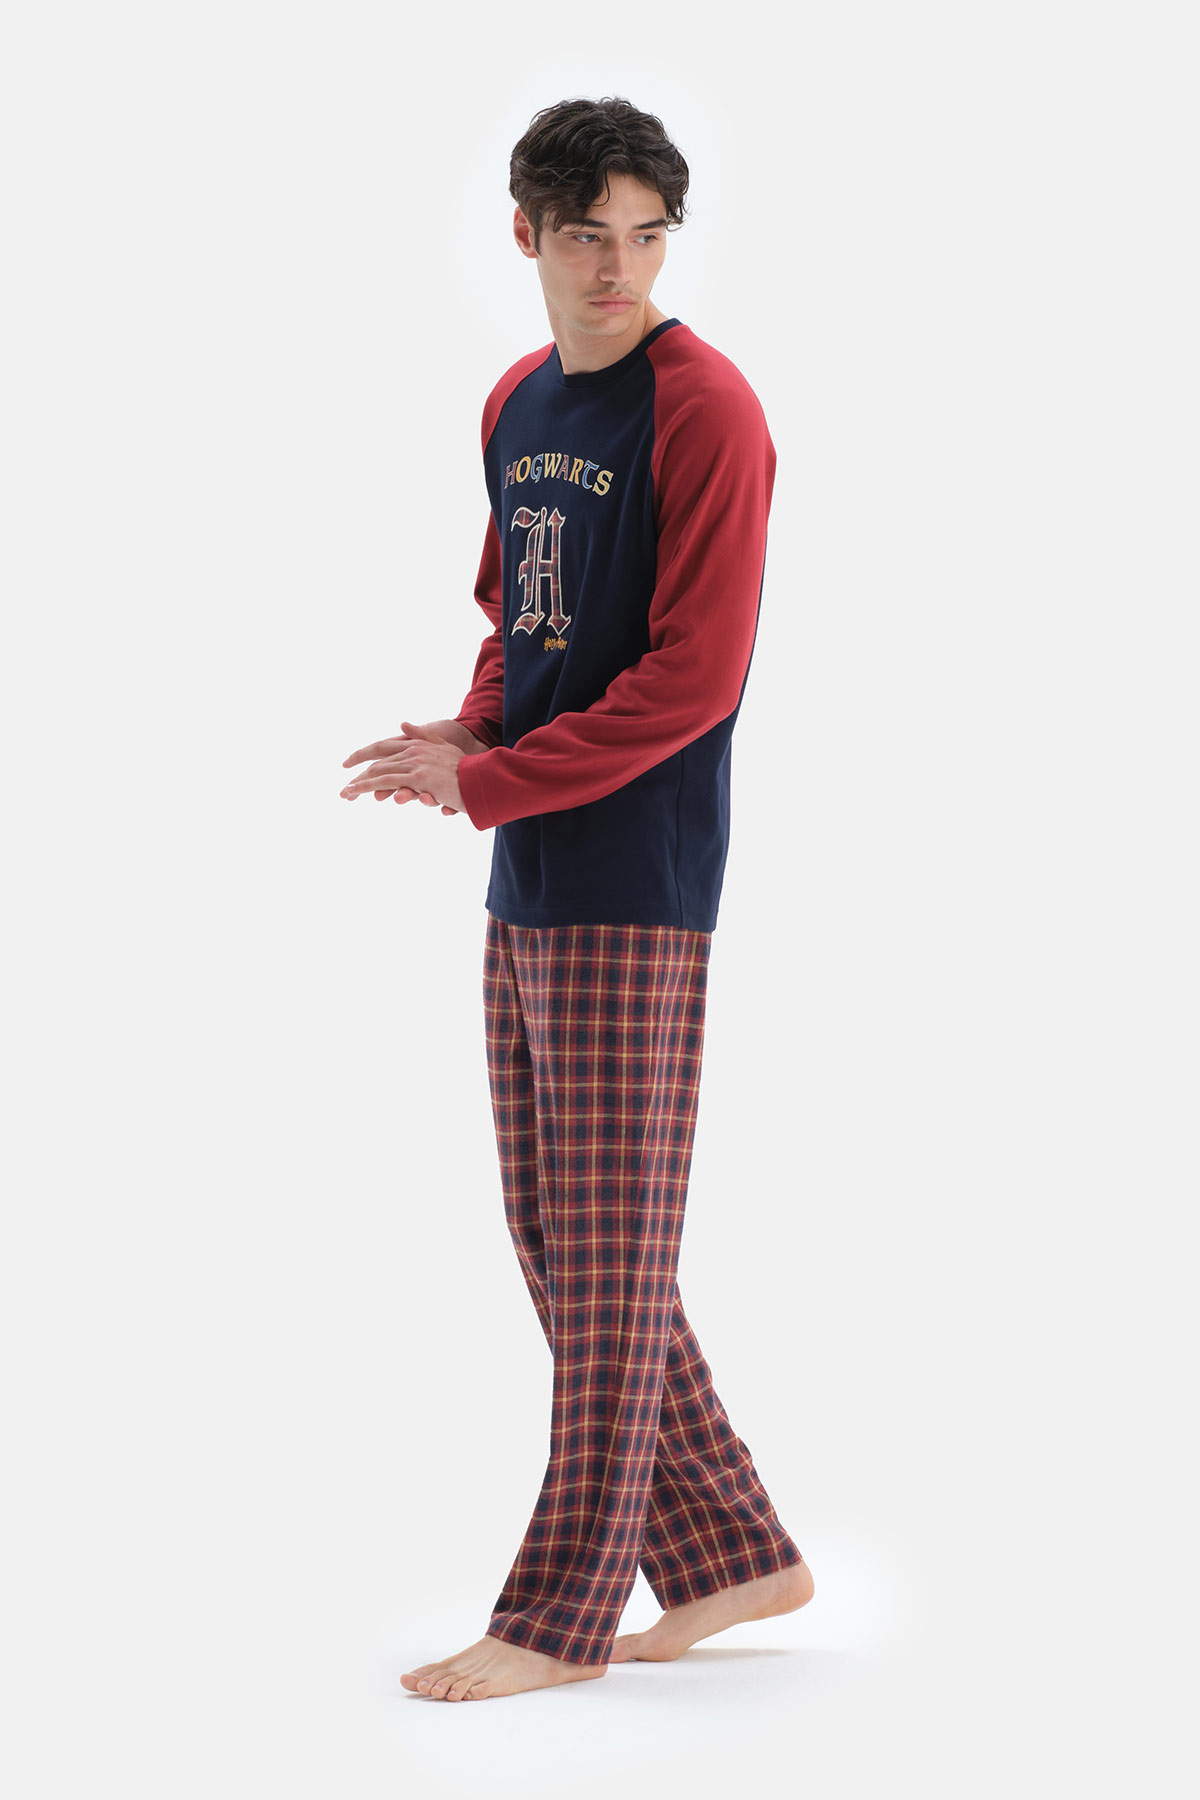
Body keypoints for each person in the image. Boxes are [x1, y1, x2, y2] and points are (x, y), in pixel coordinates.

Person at [339, 95, 814, 1702]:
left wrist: (490, 781)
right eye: (589, 237)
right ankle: (737, 1553)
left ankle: (556, 1616)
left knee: (608, 1259)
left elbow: (695, 679)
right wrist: (473, 734)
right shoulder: (517, 397)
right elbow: (519, 622)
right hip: (532, 860)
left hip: (637, 871)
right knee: (562, 1234)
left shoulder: (708, 408)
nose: (620, 268)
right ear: (528, 236)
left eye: (648, 236)